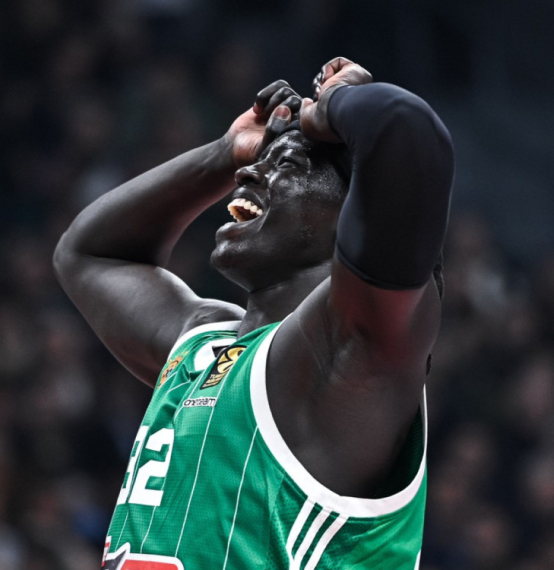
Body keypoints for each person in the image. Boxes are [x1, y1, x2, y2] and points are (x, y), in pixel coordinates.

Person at [54, 57, 454, 569]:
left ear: (348, 221)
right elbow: (87, 255)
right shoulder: (201, 343)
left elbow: (402, 126)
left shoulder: (351, 351)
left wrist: (331, 105)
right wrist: (223, 154)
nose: (249, 172)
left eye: (286, 164)